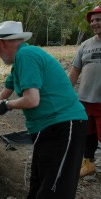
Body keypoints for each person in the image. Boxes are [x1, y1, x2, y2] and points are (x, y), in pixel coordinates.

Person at [0, 21, 88, 198]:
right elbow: (4, 93)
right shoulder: (19, 63)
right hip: (45, 129)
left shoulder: (26, 55)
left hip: (64, 125)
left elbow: (32, 100)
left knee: (55, 188)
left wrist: (7, 106)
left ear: (1, 43)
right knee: (39, 185)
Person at [68, 5, 101, 177]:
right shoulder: (85, 45)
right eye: (92, 20)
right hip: (85, 100)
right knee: (87, 134)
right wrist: (64, 93)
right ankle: (88, 163)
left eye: (98, 19)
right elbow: (75, 71)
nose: (94, 23)